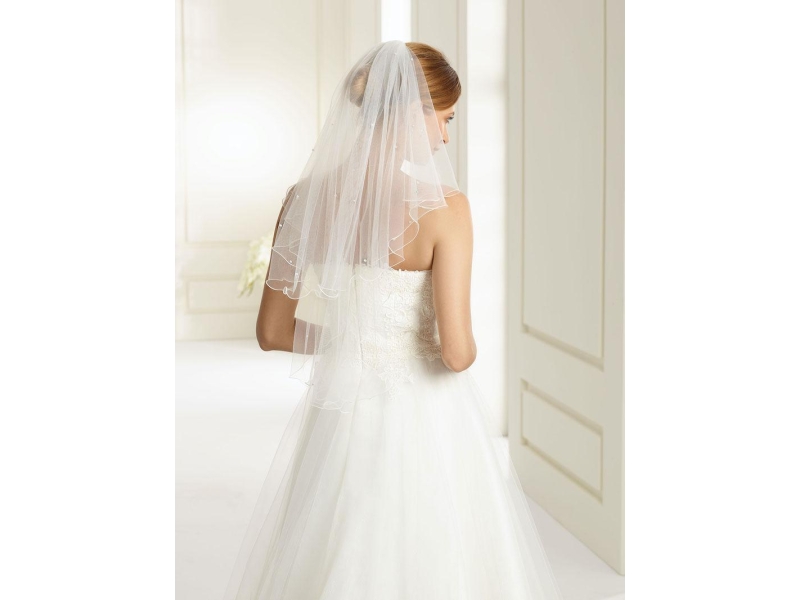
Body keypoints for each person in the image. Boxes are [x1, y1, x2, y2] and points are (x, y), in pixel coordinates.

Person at [222, 40, 563, 600]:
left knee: (341, 545)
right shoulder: (446, 209)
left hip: (342, 409)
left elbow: (273, 332)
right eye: (444, 118)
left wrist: (353, 343)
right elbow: (456, 352)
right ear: (410, 109)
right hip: (425, 413)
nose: (445, 137)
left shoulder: (302, 199)